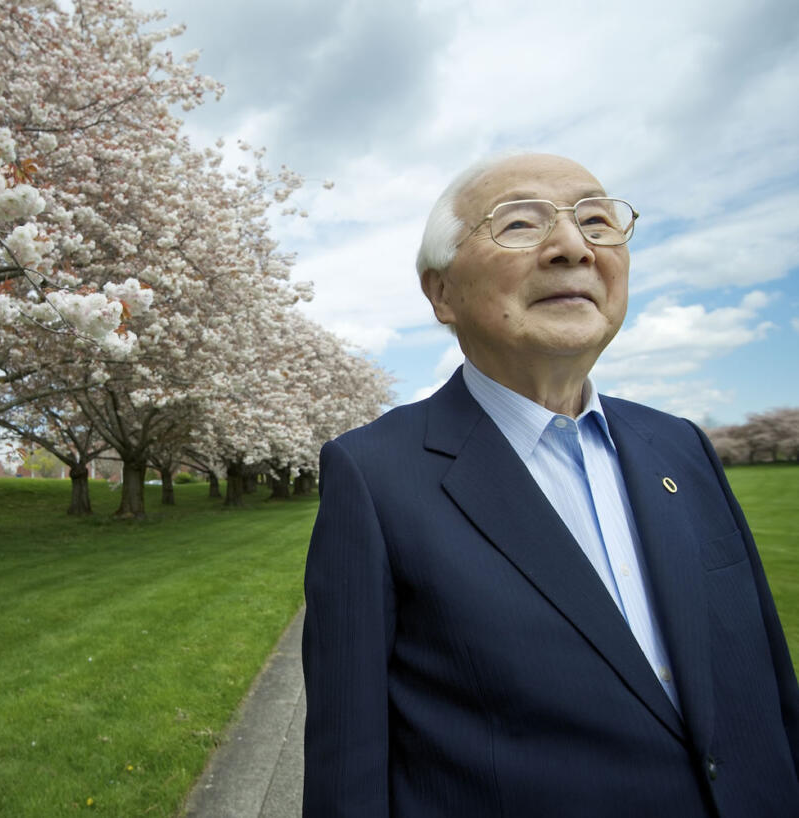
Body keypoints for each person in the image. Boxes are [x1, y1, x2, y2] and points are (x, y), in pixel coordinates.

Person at [301, 153, 799, 817]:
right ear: (441, 293)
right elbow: (348, 771)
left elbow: (768, 682)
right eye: (519, 225)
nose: (574, 247)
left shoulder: (681, 443)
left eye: (597, 220)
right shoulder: (373, 475)